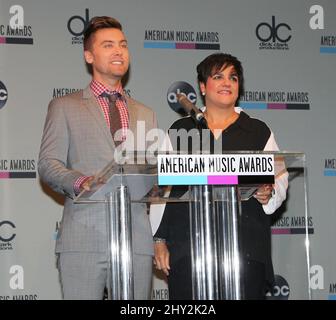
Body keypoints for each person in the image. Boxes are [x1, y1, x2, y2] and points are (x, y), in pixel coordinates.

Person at [38, 16, 157, 300]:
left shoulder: (146, 113)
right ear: (89, 55)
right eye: (108, 45)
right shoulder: (64, 106)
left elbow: (153, 171)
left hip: (136, 239)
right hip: (84, 237)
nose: (119, 51)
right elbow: (47, 164)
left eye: (123, 45)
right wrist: (81, 181)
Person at [153, 53, 288, 300]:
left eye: (233, 78)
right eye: (218, 76)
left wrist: (268, 192)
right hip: (189, 251)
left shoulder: (258, 130)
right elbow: (164, 189)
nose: (227, 82)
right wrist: (159, 239)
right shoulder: (180, 131)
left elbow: (279, 178)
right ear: (203, 87)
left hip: (245, 251)